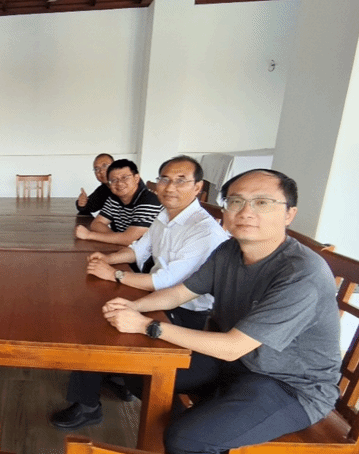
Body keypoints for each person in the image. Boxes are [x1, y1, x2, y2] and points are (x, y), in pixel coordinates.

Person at [102, 169, 341, 454]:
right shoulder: (229, 250)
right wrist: (133, 306)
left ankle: (195, 437)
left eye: (262, 203)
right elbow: (180, 292)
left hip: (290, 385)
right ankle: (200, 433)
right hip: (237, 364)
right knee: (139, 370)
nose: (246, 212)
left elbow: (232, 347)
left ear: (289, 214)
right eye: (236, 201)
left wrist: (147, 326)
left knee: (187, 439)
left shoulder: (302, 273)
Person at [50, 156, 229, 430]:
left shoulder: (204, 231)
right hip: (163, 299)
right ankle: (117, 377)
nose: (170, 187)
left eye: (181, 180)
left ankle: (88, 405)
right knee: (99, 304)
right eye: (165, 179)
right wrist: (108, 259)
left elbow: (167, 281)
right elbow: (139, 249)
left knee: (95, 323)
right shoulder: (165, 215)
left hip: (184, 314)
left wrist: (116, 274)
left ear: (198, 187)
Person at [74, 159, 161, 246]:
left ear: (136, 178)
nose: (119, 183)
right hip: (127, 250)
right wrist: (118, 239)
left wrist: (89, 235)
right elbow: (96, 224)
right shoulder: (114, 198)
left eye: (124, 177)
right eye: (114, 180)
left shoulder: (149, 201)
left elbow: (129, 239)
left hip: (150, 253)